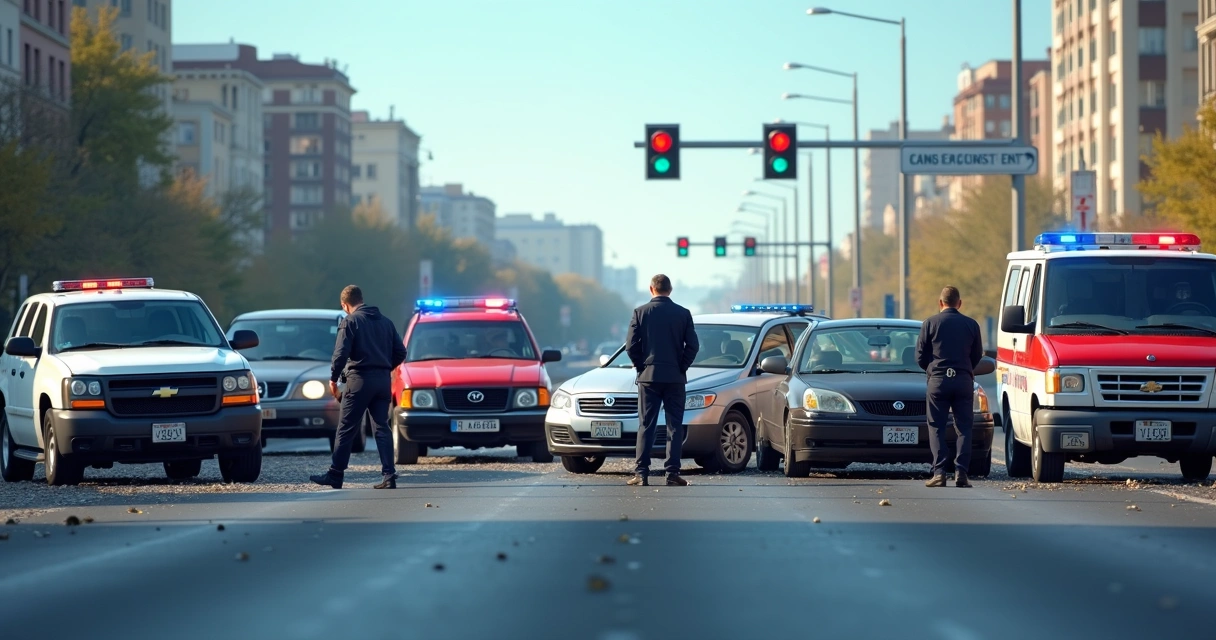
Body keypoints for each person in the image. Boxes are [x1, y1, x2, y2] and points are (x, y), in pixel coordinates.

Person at [311, 285, 407, 490]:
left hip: (359, 380)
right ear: (361, 299)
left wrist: (333, 379)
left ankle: (336, 475)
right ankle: (389, 475)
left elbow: (340, 354)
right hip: (382, 382)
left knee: (346, 428)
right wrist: (383, 367)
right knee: (382, 427)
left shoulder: (350, 321)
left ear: (345, 305)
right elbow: (401, 352)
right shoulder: (386, 322)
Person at [625, 274, 699, 487]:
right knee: (674, 426)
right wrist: (681, 366)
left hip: (649, 378)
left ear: (651, 289)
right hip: (675, 378)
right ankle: (672, 474)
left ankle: (641, 474)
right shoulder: (683, 314)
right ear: (670, 289)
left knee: (646, 425)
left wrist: (642, 367)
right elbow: (693, 346)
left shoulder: (640, 313)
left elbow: (631, 345)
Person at [916, 285, 983, 488]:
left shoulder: (930, 323)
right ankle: (961, 472)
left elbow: (920, 356)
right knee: (964, 428)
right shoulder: (971, 325)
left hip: (938, 381)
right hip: (963, 380)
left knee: (936, 426)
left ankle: (939, 473)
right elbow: (977, 355)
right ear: (959, 303)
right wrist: (965, 370)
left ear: (940, 303)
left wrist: (932, 370)